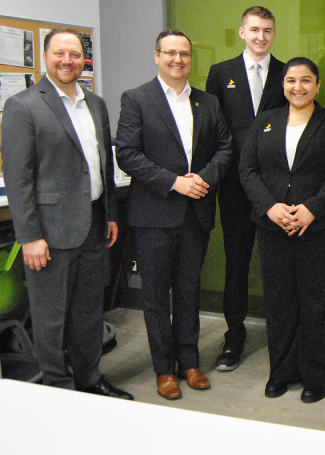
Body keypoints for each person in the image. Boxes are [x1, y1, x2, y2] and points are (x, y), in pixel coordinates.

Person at [0, 28, 132, 400]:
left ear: (83, 60)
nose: (67, 61)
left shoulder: (95, 104)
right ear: (46, 57)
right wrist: (30, 237)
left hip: (93, 225)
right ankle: (58, 391)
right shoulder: (23, 105)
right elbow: (18, 178)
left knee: (89, 314)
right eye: (60, 53)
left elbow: (102, 165)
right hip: (50, 232)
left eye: (75, 54)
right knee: (51, 319)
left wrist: (110, 213)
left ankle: (90, 380)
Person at [115, 29, 232, 400]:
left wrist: (203, 178)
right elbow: (127, 154)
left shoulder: (208, 102)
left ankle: (189, 362)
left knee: (188, 292)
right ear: (156, 56)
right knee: (155, 297)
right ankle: (164, 369)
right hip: (153, 215)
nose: (178, 59)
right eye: (170, 52)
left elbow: (225, 149)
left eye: (184, 53)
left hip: (196, 214)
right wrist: (174, 183)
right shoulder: (136, 99)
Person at [239, 57, 325, 404]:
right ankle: (282, 372)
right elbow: (247, 170)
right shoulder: (265, 121)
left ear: (317, 86)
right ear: (283, 85)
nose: (298, 87)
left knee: (319, 303)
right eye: (291, 80)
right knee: (280, 303)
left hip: (320, 230)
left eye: (306, 80)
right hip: (273, 228)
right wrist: (270, 207)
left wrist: (311, 209)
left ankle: (318, 376)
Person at [206, 6, 288, 372]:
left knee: (278, 267)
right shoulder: (220, 73)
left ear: (274, 34)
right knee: (236, 264)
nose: (260, 37)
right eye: (254, 30)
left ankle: (283, 341)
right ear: (242, 32)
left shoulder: (287, 73)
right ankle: (233, 338)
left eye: (267, 30)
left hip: (276, 189)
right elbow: (212, 129)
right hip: (235, 188)